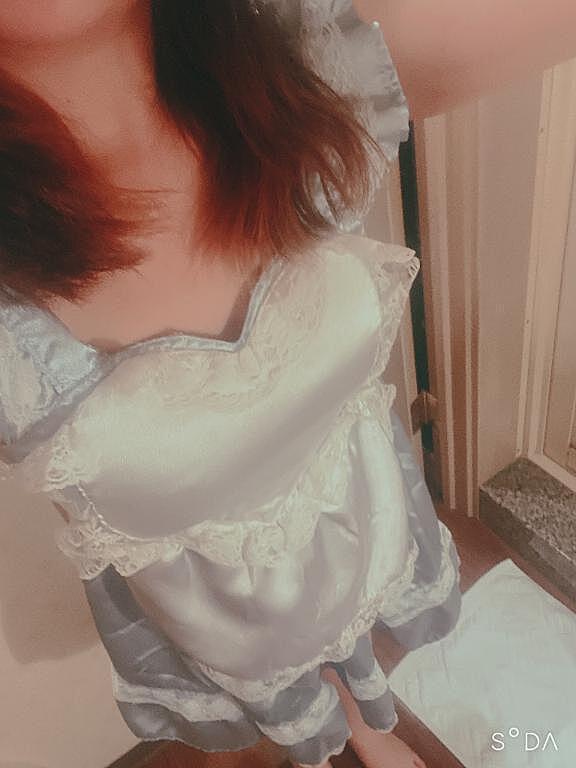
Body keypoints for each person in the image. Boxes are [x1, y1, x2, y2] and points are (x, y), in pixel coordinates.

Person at [0, 2, 573, 767]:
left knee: (351, 630)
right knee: (282, 682)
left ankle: (362, 721)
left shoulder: (310, 64)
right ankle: (334, 727)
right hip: (224, 608)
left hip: (358, 503)